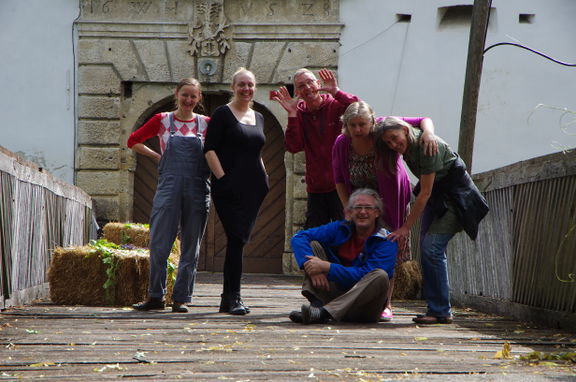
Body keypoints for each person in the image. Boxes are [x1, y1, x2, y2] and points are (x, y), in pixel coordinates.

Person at [374, 117, 489, 324]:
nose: (393, 145)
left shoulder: (427, 146)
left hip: (456, 199)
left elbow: (424, 193)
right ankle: (435, 308)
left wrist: (405, 227)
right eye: (387, 143)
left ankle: (441, 311)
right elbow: (422, 118)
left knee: (432, 248)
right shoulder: (409, 139)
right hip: (438, 198)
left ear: (404, 129)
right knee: (428, 249)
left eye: (394, 138)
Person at [332, 101, 438, 321]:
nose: (358, 130)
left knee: (387, 249)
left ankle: (386, 304)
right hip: (360, 204)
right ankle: (359, 301)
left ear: (372, 121)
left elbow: (421, 120)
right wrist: (347, 207)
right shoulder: (342, 144)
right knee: (359, 250)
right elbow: (340, 180)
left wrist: (428, 133)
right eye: (353, 125)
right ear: (346, 126)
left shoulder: (382, 129)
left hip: (391, 200)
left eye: (362, 124)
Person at [128, 78, 210, 313]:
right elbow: (133, 141)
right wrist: (156, 156)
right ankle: (155, 296)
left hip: (197, 188)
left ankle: (181, 298)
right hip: (169, 187)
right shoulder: (162, 120)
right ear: (177, 94)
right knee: (159, 242)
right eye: (185, 95)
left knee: (190, 246)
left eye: (193, 96)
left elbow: (221, 149)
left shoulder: (206, 124)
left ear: (199, 98)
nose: (188, 100)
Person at [203, 67, 269, 315]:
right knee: (237, 239)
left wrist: (265, 177)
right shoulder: (222, 114)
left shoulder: (259, 117)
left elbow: (257, 152)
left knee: (239, 241)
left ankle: (227, 299)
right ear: (233, 87)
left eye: (250, 85)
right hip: (228, 188)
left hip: (254, 189)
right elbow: (209, 150)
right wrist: (223, 179)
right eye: (241, 84)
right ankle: (233, 297)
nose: (246, 89)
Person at [289, 188, 398, 324]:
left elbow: (364, 275)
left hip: (365, 308)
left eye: (368, 208)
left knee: (380, 276)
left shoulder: (387, 241)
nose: (363, 212)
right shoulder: (340, 228)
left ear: (377, 213)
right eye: (358, 207)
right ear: (350, 212)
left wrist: (328, 267)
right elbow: (299, 237)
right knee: (313, 244)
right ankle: (317, 305)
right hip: (334, 294)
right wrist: (313, 268)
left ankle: (323, 313)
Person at [273, 68, 359, 228]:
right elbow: (293, 146)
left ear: (318, 84)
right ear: (297, 91)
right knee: (314, 238)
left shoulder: (335, 105)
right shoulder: (299, 114)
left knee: (347, 234)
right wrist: (292, 115)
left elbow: (359, 109)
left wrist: (336, 91)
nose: (306, 88)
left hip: (341, 185)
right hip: (317, 189)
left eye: (309, 82)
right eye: (301, 86)